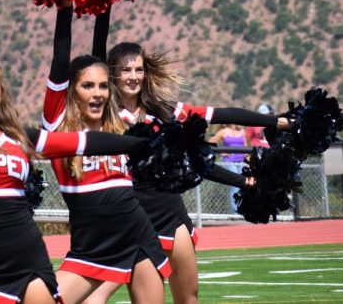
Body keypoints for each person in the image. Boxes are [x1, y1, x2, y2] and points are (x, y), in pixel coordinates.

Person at [0, 23, 154, 304]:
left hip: (28, 265)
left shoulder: (20, 138)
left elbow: (83, 143)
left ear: (1, 89)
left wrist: (144, 143)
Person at [82, 15, 288, 304]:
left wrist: (275, 122)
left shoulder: (165, 112)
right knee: (98, 296)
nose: (133, 76)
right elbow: (95, 57)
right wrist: (104, 8)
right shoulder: (105, 113)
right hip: (130, 214)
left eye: (138, 69)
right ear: (111, 73)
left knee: (188, 296)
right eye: (124, 69)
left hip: (170, 211)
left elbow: (220, 117)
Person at [43, 10, 171, 304]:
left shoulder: (116, 124)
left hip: (137, 235)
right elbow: (60, 62)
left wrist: (105, 2)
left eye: (103, 86)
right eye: (87, 86)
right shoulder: (59, 127)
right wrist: (65, 9)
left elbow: (101, 59)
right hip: (92, 246)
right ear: (71, 91)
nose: (98, 93)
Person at [209, 124, 249, 211]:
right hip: (230, 161)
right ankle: (236, 211)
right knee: (235, 185)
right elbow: (211, 142)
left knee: (244, 185)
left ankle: (244, 208)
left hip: (241, 162)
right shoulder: (224, 131)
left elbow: (245, 146)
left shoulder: (242, 132)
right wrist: (223, 153)